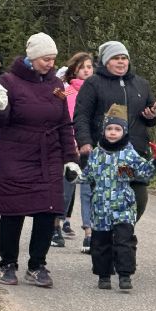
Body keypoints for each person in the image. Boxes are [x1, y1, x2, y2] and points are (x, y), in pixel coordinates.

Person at [0, 33, 80, 288]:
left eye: (53, 59)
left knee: (46, 211)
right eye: (45, 59)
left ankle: (37, 264)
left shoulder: (57, 85)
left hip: (47, 156)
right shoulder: (8, 81)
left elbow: (64, 122)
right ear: (32, 58)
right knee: (13, 211)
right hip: (14, 155)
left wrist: (70, 158)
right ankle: (8, 264)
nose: (50, 64)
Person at [74, 40, 156, 219]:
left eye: (124, 58)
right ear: (106, 62)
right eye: (116, 58)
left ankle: (121, 236)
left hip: (131, 157)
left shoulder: (141, 84)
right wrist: (85, 142)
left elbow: (151, 116)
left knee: (137, 199)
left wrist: (152, 115)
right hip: (106, 156)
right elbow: (81, 116)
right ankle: (107, 240)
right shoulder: (93, 84)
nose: (121, 62)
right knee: (108, 200)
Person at [85, 104, 156, 291]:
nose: (113, 133)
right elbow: (87, 175)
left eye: (117, 129)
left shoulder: (129, 154)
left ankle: (125, 275)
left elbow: (143, 173)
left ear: (124, 131)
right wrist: (73, 175)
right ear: (104, 131)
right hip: (101, 208)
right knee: (100, 243)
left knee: (124, 241)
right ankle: (103, 276)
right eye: (109, 129)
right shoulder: (96, 154)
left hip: (124, 206)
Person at [62, 50, 95, 250]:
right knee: (66, 189)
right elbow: (62, 115)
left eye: (89, 67)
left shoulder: (97, 90)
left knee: (88, 191)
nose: (86, 70)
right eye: (82, 67)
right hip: (71, 145)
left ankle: (89, 232)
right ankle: (57, 223)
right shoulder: (66, 90)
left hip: (90, 146)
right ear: (73, 70)